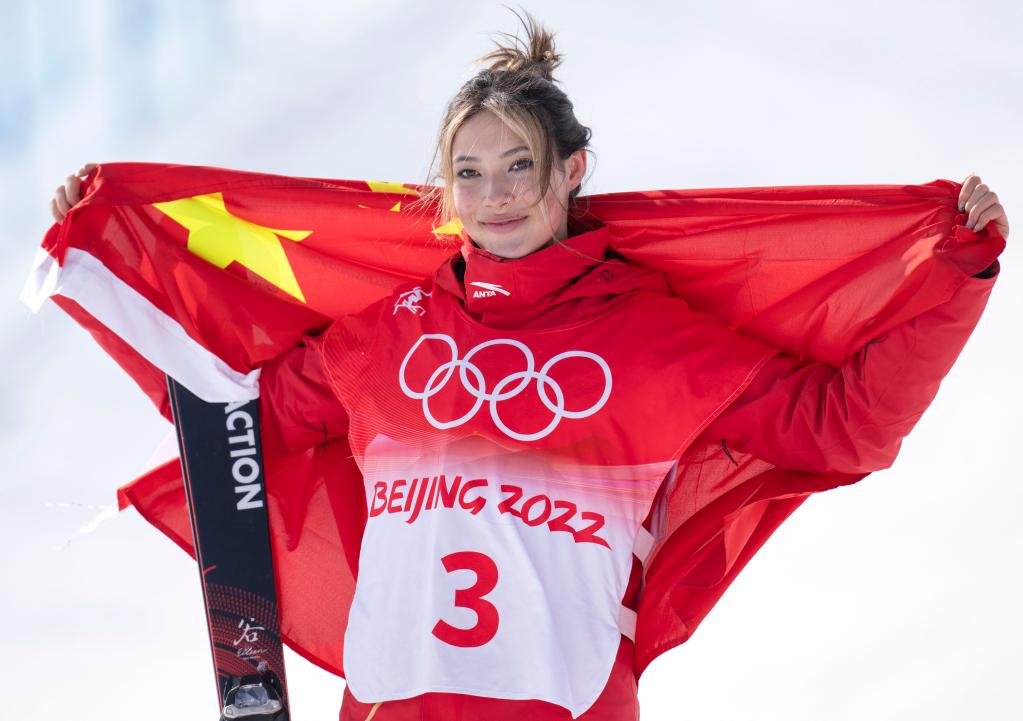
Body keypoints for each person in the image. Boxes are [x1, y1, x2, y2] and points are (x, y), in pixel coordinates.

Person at [50, 11, 1007, 721]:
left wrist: (957, 275)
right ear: (444, 188)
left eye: (518, 167)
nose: (493, 195)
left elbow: (844, 426)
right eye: (468, 171)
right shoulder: (386, 336)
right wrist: (108, 271)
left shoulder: (645, 336)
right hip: (387, 706)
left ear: (571, 170)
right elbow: (232, 435)